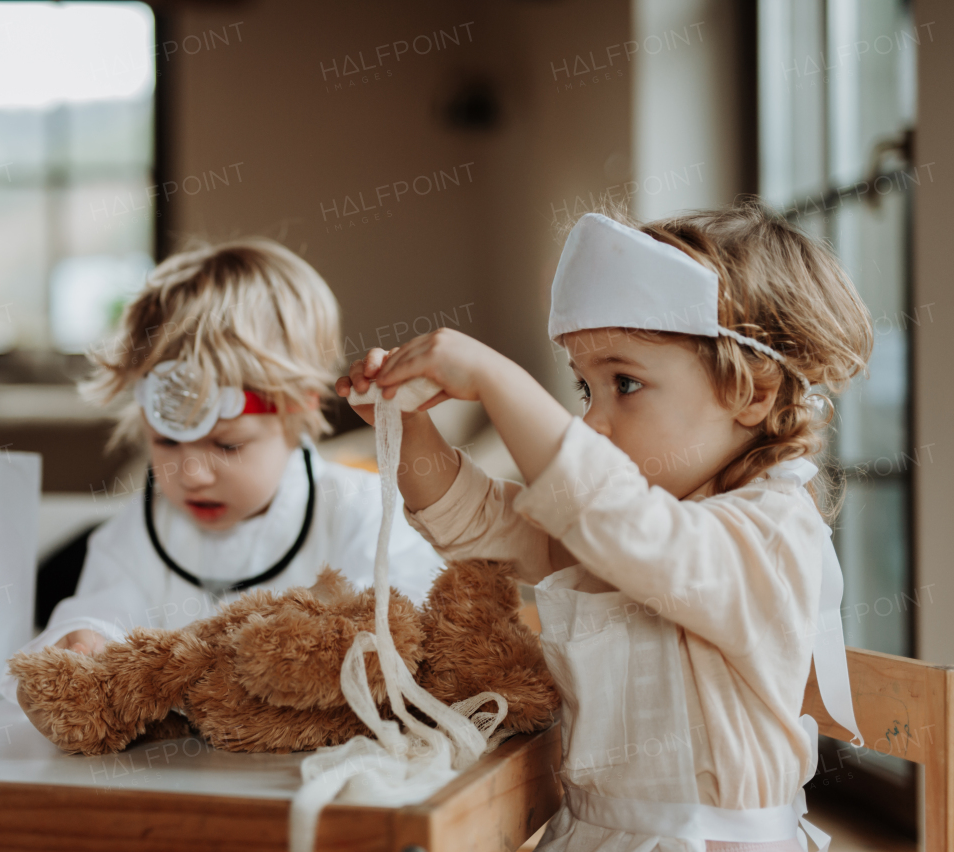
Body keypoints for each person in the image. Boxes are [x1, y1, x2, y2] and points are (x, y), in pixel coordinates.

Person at [337, 204, 873, 851]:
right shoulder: (610, 531)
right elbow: (481, 523)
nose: (591, 422)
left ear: (753, 393)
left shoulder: (771, 530)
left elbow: (636, 535)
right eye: (584, 389)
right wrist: (406, 422)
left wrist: (498, 380)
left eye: (625, 383)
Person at [0, 238, 443, 706]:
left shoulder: (360, 509)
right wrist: (86, 638)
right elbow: (101, 611)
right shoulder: (141, 529)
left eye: (227, 445)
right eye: (166, 442)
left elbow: (406, 615)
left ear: (298, 410)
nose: (192, 474)